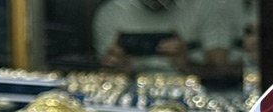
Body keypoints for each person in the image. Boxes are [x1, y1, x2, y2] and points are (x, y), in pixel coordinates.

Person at [92, 0, 244, 77]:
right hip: (130, 94)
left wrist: (186, 65)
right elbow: (102, 72)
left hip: (196, 96)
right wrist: (119, 69)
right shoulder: (113, 11)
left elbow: (222, 71)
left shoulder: (205, 6)